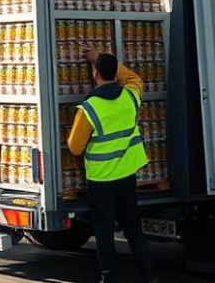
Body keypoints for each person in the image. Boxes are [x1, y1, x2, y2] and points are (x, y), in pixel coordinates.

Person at [67, 49, 158, 283]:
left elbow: (75, 147)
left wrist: (96, 61)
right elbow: (135, 79)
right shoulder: (130, 97)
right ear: (115, 74)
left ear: (95, 75)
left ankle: (109, 276)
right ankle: (149, 275)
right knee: (133, 228)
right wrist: (102, 58)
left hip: (101, 180)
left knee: (104, 230)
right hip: (127, 175)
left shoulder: (89, 109)